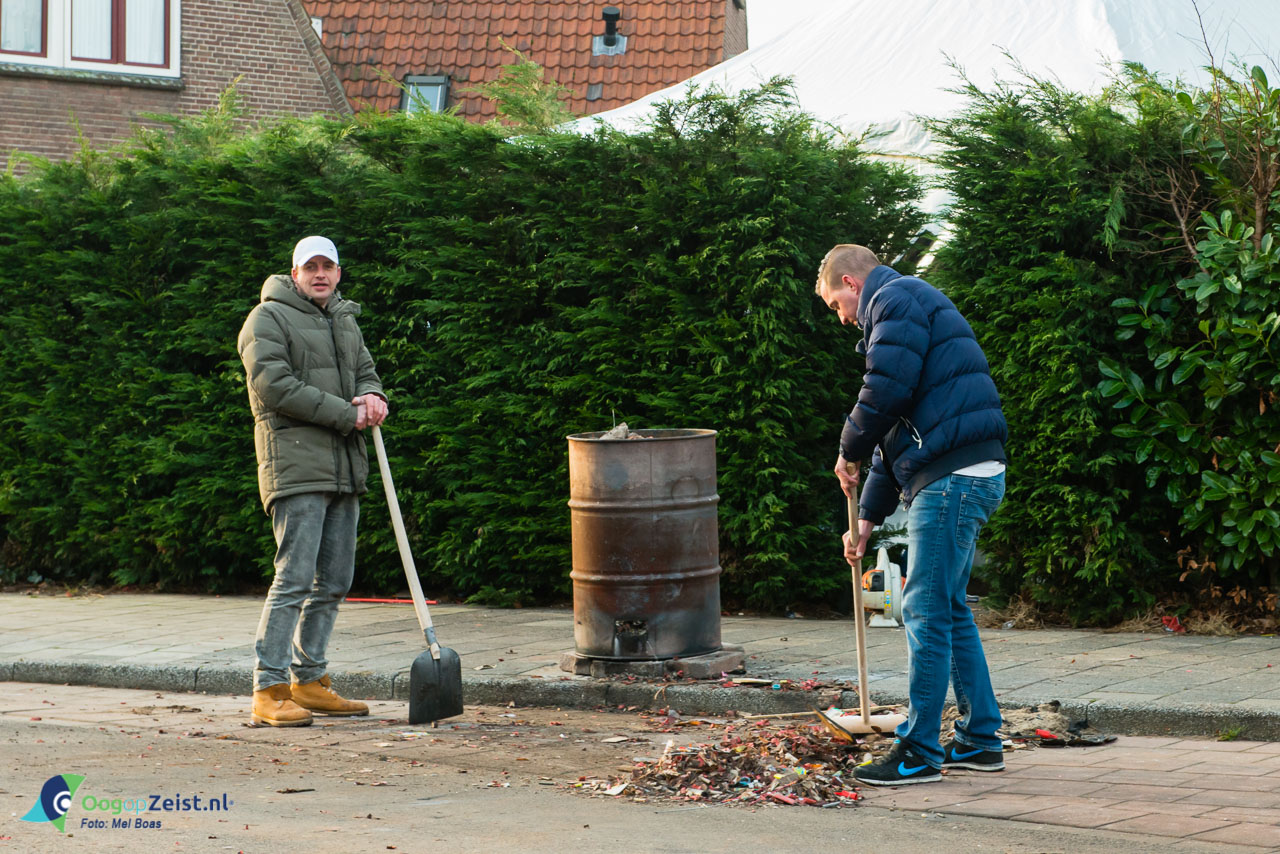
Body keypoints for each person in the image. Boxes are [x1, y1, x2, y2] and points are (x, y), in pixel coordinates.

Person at [815, 244, 1008, 786]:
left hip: (953, 480)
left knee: (923, 611)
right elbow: (894, 432)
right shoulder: (909, 305)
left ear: (852, 283)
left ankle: (919, 752)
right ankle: (980, 740)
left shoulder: (893, 300)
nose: (842, 318)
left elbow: (883, 392)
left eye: (836, 304)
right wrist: (865, 524)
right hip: (964, 474)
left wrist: (846, 446)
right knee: (947, 610)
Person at [238, 235, 389, 727]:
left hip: (345, 466)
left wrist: (371, 397)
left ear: (338, 273)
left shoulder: (344, 320)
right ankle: (269, 687)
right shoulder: (268, 318)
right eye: (311, 267)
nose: (320, 274)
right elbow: (273, 385)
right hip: (296, 466)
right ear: (295, 272)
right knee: (295, 579)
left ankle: (309, 680)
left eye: (328, 266)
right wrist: (346, 415)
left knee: (336, 581)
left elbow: (366, 372)